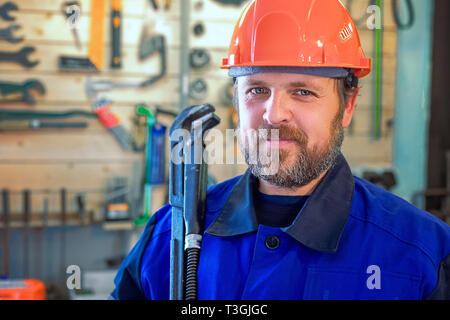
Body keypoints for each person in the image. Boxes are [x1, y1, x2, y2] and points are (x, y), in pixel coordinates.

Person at [110, 0, 450, 300]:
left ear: (347, 105)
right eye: (257, 89)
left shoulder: (422, 252)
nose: (273, 114)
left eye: (302, 92)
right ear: (236, 100)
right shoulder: (171, 235)